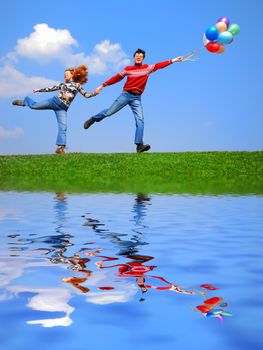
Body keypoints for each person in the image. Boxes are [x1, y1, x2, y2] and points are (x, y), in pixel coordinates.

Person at [83, 48, 184, 153]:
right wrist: (102, 85)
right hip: (126, 95)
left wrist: (174, 60)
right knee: (109, 112)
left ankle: (139, 145)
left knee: (140, 120)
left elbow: (159, 65)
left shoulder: (147, 68)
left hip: (137, 98)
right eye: (137, 55)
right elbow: (116, 77)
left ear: (143, 58)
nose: (139, 57)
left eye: (141, 56)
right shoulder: (128, 69)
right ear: (134, 57)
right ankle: (93, 119)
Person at [12, 65, 96, 154]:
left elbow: (86, 95)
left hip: (62, 108)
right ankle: (25, 101)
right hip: (54, 101)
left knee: (63, 127)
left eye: (67, 74)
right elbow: (50, 89)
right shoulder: (62, 84)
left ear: (72, 75)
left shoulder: (77, 85)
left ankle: (60, 148)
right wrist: (38, 90)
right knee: (34, 106)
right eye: (64, 74)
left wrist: (94, 93)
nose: (65, 75)